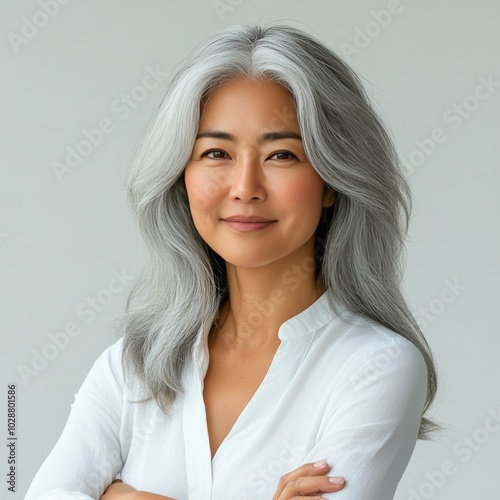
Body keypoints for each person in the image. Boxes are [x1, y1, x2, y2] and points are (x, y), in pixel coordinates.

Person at [26, 23, 438, 500]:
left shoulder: (377, 366)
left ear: (331, 181)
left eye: (282, 154)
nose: (245, 186)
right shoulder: (134, 365)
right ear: (182, 175)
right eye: (216, 152)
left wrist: (121, 495)